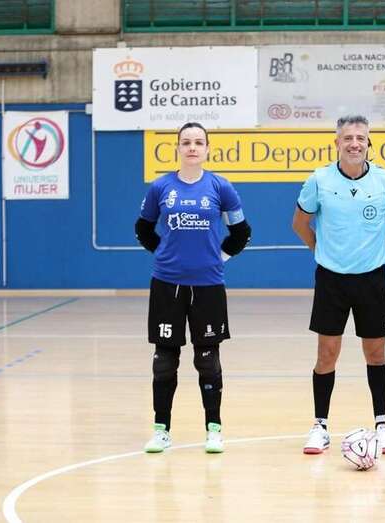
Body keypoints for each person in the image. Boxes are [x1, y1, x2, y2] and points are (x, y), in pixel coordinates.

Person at [292, 115, 385, 455]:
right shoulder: (319, 180)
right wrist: (321, 251)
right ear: (337, 143)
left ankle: (382, 425)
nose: (354, 143)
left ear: (368, 143)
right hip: (331, 280)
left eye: (360, 138)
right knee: (326, 354)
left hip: (371, 279)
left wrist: (380, 248)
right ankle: (320, 426)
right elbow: (300, 223)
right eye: (348, 138)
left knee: (375, 354)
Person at [135, 122, 251, 454]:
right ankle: (161, 430)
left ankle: (214, 429)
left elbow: (241, 232)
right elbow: (143, 228)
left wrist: (219, 258)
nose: (192, 147)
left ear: (207, 149)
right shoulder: (160, 187)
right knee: (164, 359)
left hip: (208, 285)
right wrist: (164, 255)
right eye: (186, 142)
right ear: (178, 148)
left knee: (207, 359)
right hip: (166, 284)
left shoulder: (221, 187)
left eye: (198, 142)